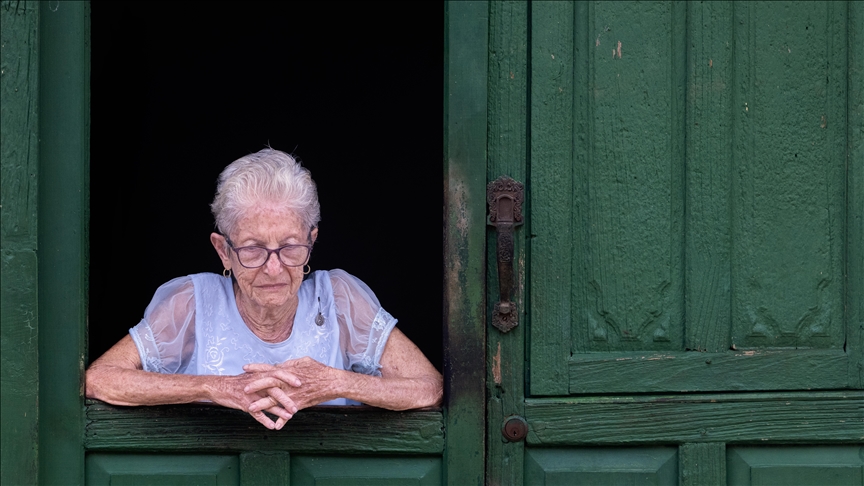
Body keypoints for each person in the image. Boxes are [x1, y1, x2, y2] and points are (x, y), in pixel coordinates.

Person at [86, 148, 443, 430]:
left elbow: (429, 388)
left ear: (311, 242)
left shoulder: (339, 299)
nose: (273, 268)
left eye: (289, 248)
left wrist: (336, 383)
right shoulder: (193, 303)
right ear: (223, 251)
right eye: (253, 249)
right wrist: (214, 387)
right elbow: (101, 380)